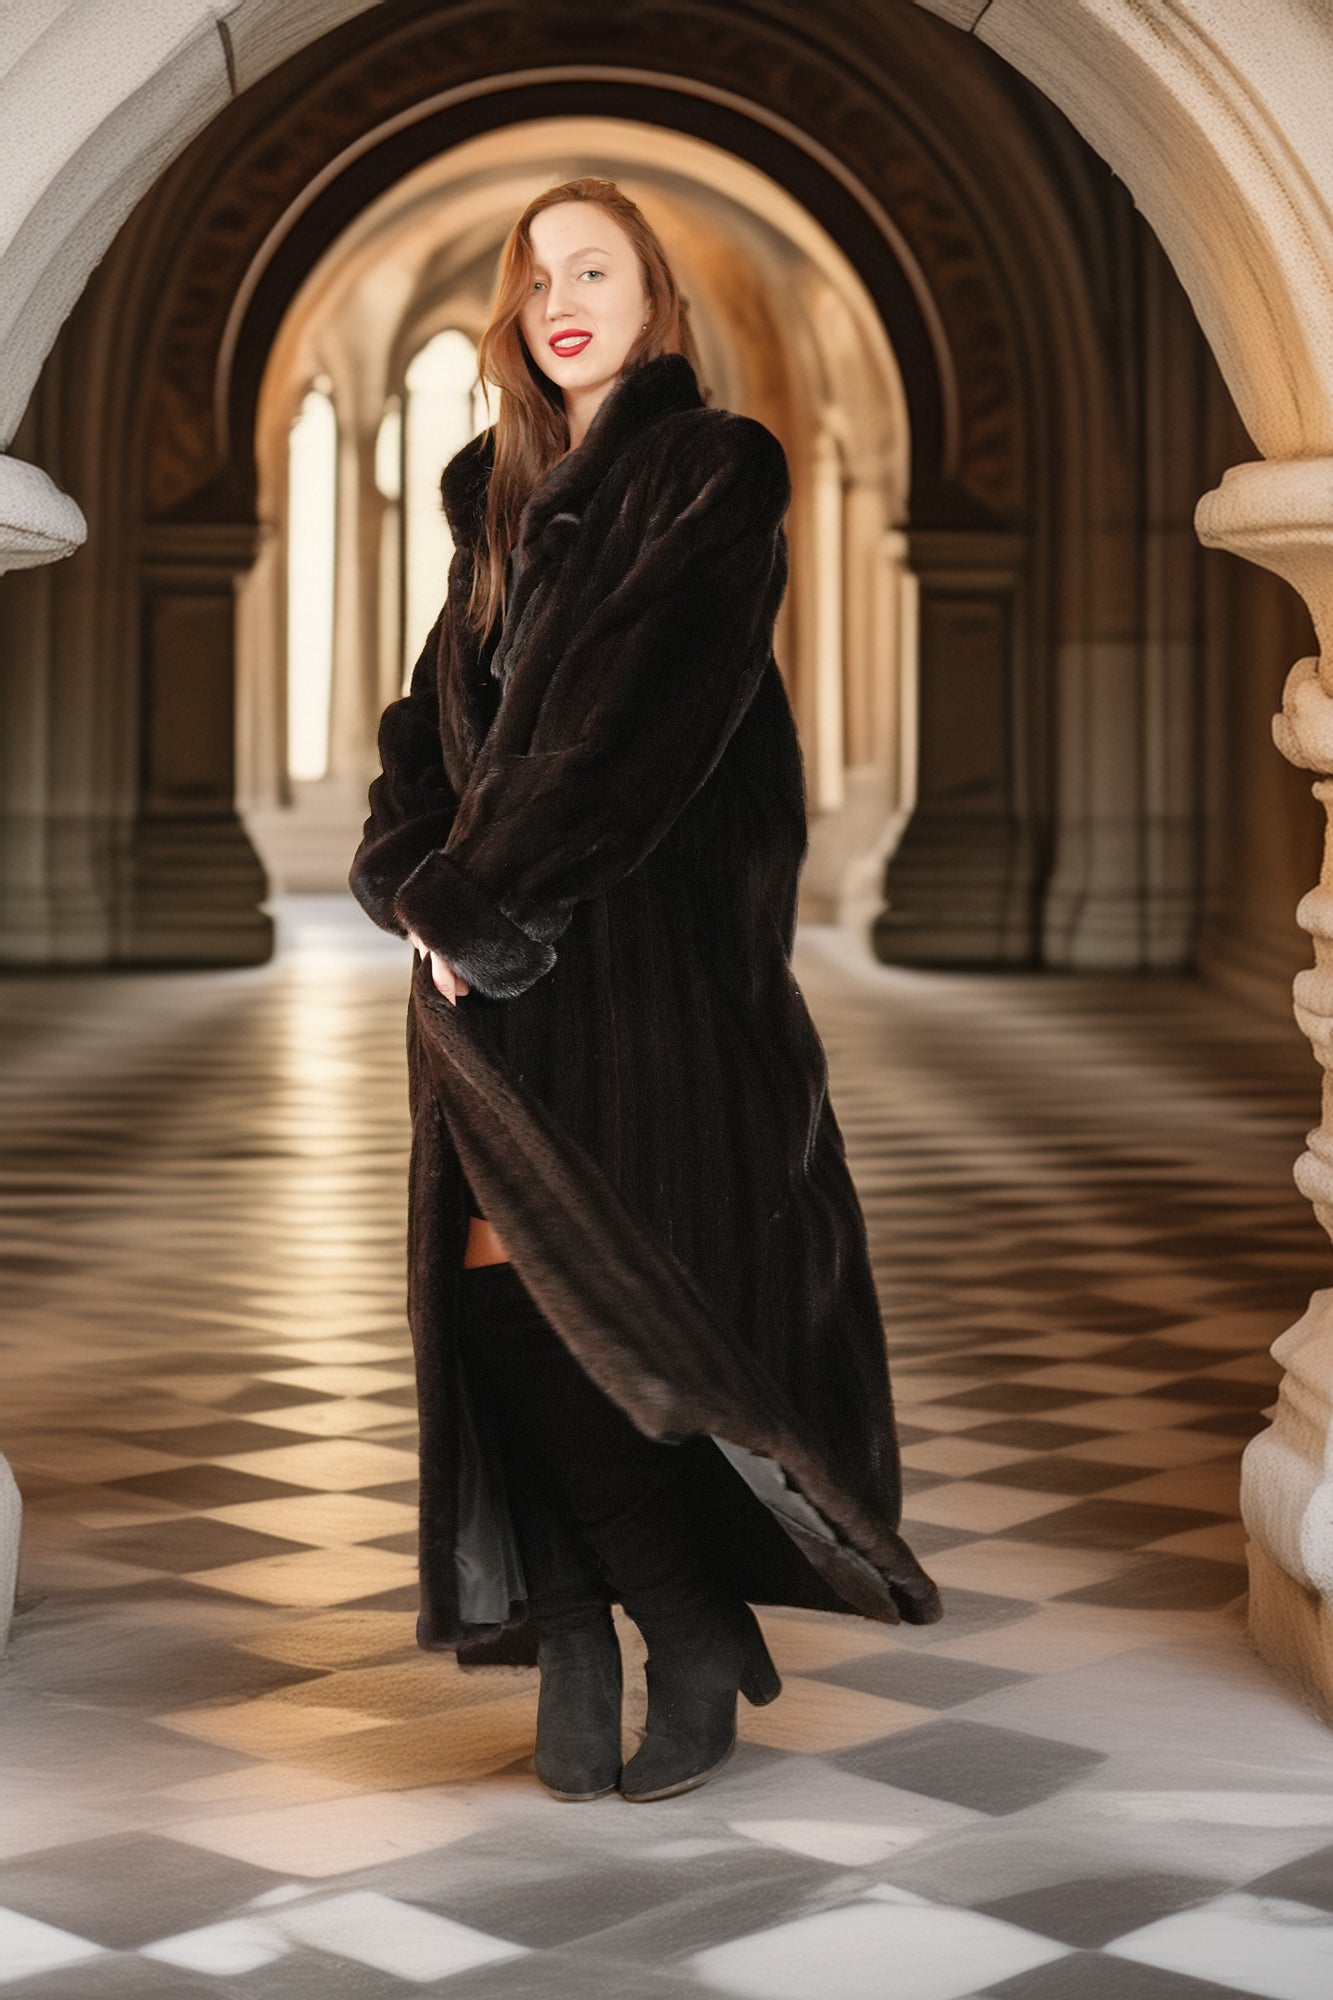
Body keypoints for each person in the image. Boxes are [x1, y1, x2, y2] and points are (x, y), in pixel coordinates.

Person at [350, 175, 942, 1807]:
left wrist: (479, 905)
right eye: (534, 272)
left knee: (596, 1312)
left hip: (642, 978)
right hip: (486, 970)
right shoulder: (493, 491)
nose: (560, 295)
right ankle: (579, 1635)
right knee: (492, 1303)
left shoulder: (708, 471)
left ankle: (679, 1628)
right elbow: (424, 729)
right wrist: (411, 877)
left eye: (592, 266)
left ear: (649, 297)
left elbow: (640, 731)